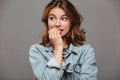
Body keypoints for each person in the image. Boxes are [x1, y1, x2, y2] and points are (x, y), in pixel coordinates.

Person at [29, 0, 98, 80]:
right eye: (52, 18)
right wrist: (58, 48)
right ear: (47, 21)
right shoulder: (37, 50)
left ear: (71, 22)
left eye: (64, 19)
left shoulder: (86, 51)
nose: (57, 24)